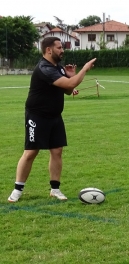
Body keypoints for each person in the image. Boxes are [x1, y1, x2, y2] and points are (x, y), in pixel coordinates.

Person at [7, 37, 96, 203]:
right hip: (37, 116)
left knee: (57, 151)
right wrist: (84, 69)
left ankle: (55, 189)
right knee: (31, 152)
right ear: (49, 50)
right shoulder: (44, 68)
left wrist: (71, 76)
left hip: (55, 116)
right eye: (59, 47)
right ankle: (17, 190)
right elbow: (70, 85)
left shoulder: (59, 68)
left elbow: (68, 90)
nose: (62, 50)